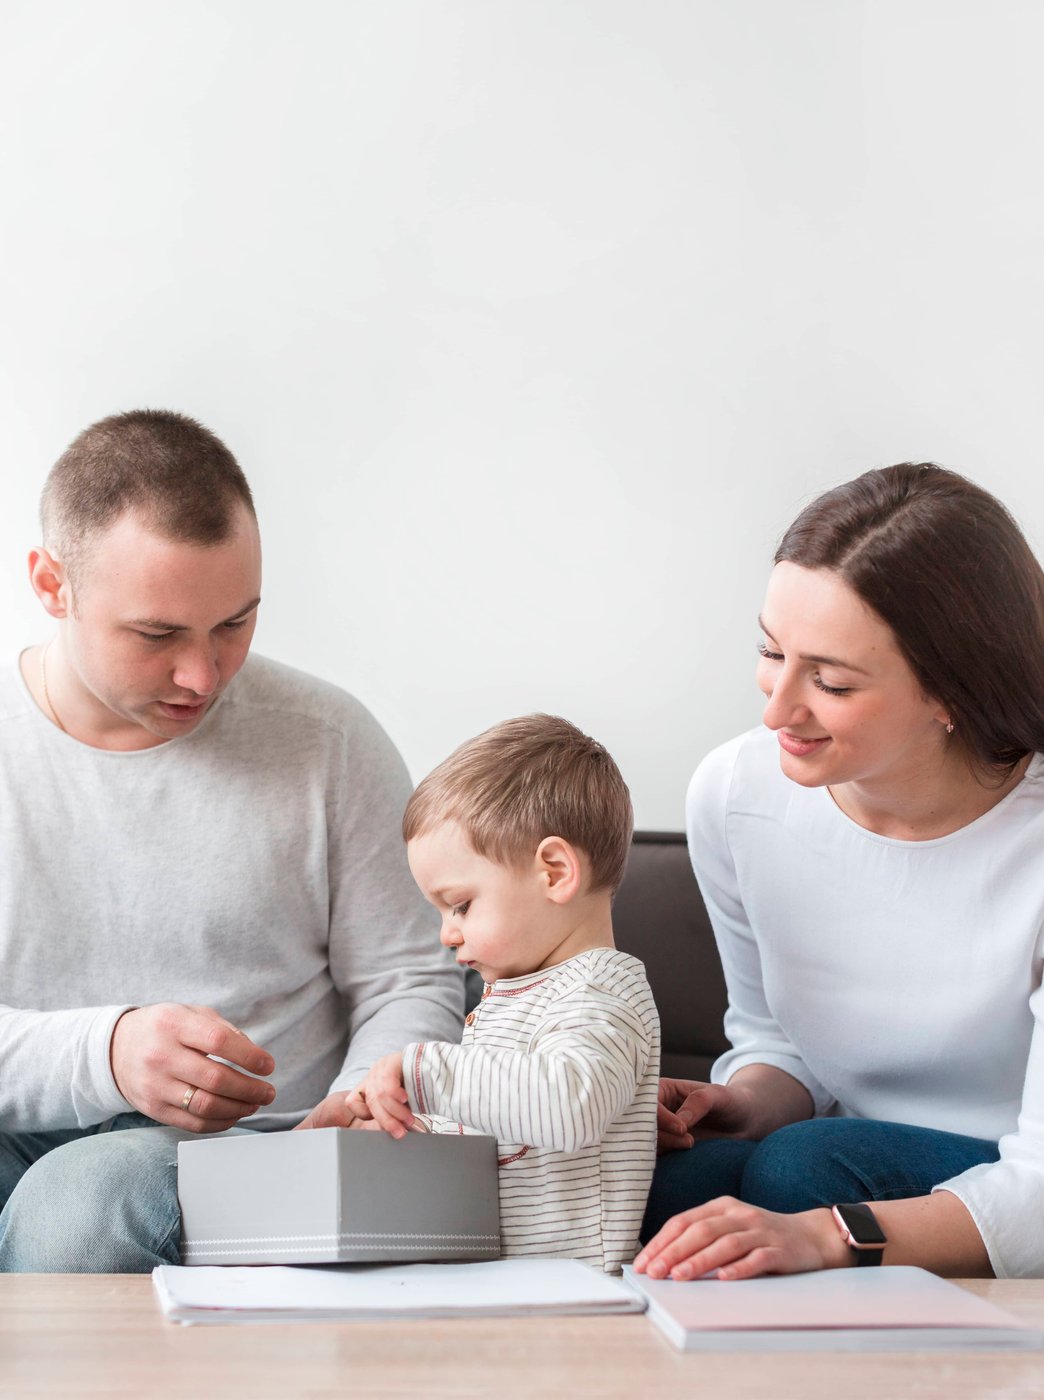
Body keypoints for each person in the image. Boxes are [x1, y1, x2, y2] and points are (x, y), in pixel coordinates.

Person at [0, 408, 464, 1273]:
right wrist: (106, 1052)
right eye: (157, 635)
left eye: (234, 624)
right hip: (16, 1132)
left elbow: (410, 974)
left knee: (83, 1207)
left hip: (250, 1151)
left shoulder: (327, 739)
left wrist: (360, 1104)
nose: (203, 675)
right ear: (51, 584)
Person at [635, 462, 1044, 1283]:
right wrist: (742, 1102)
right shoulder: (738, 794)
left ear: (950, 692)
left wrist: (825, 1235)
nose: (776, 709)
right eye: (771, 652)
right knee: (670, 1182)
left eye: (829, 680)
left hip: (1007, 1177)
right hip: (835, 1154)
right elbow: (782, 1041)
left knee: (802, 1170)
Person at [301, 715, 661, 1274]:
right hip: (494, 1275)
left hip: (572, 1284)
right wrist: (404, 1124)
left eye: (460, 904)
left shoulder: (601, 989)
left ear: (555, 872)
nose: (447, 933)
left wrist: (426, 1073)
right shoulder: (512, 996)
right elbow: (500, 1135)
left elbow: (569, 1107)